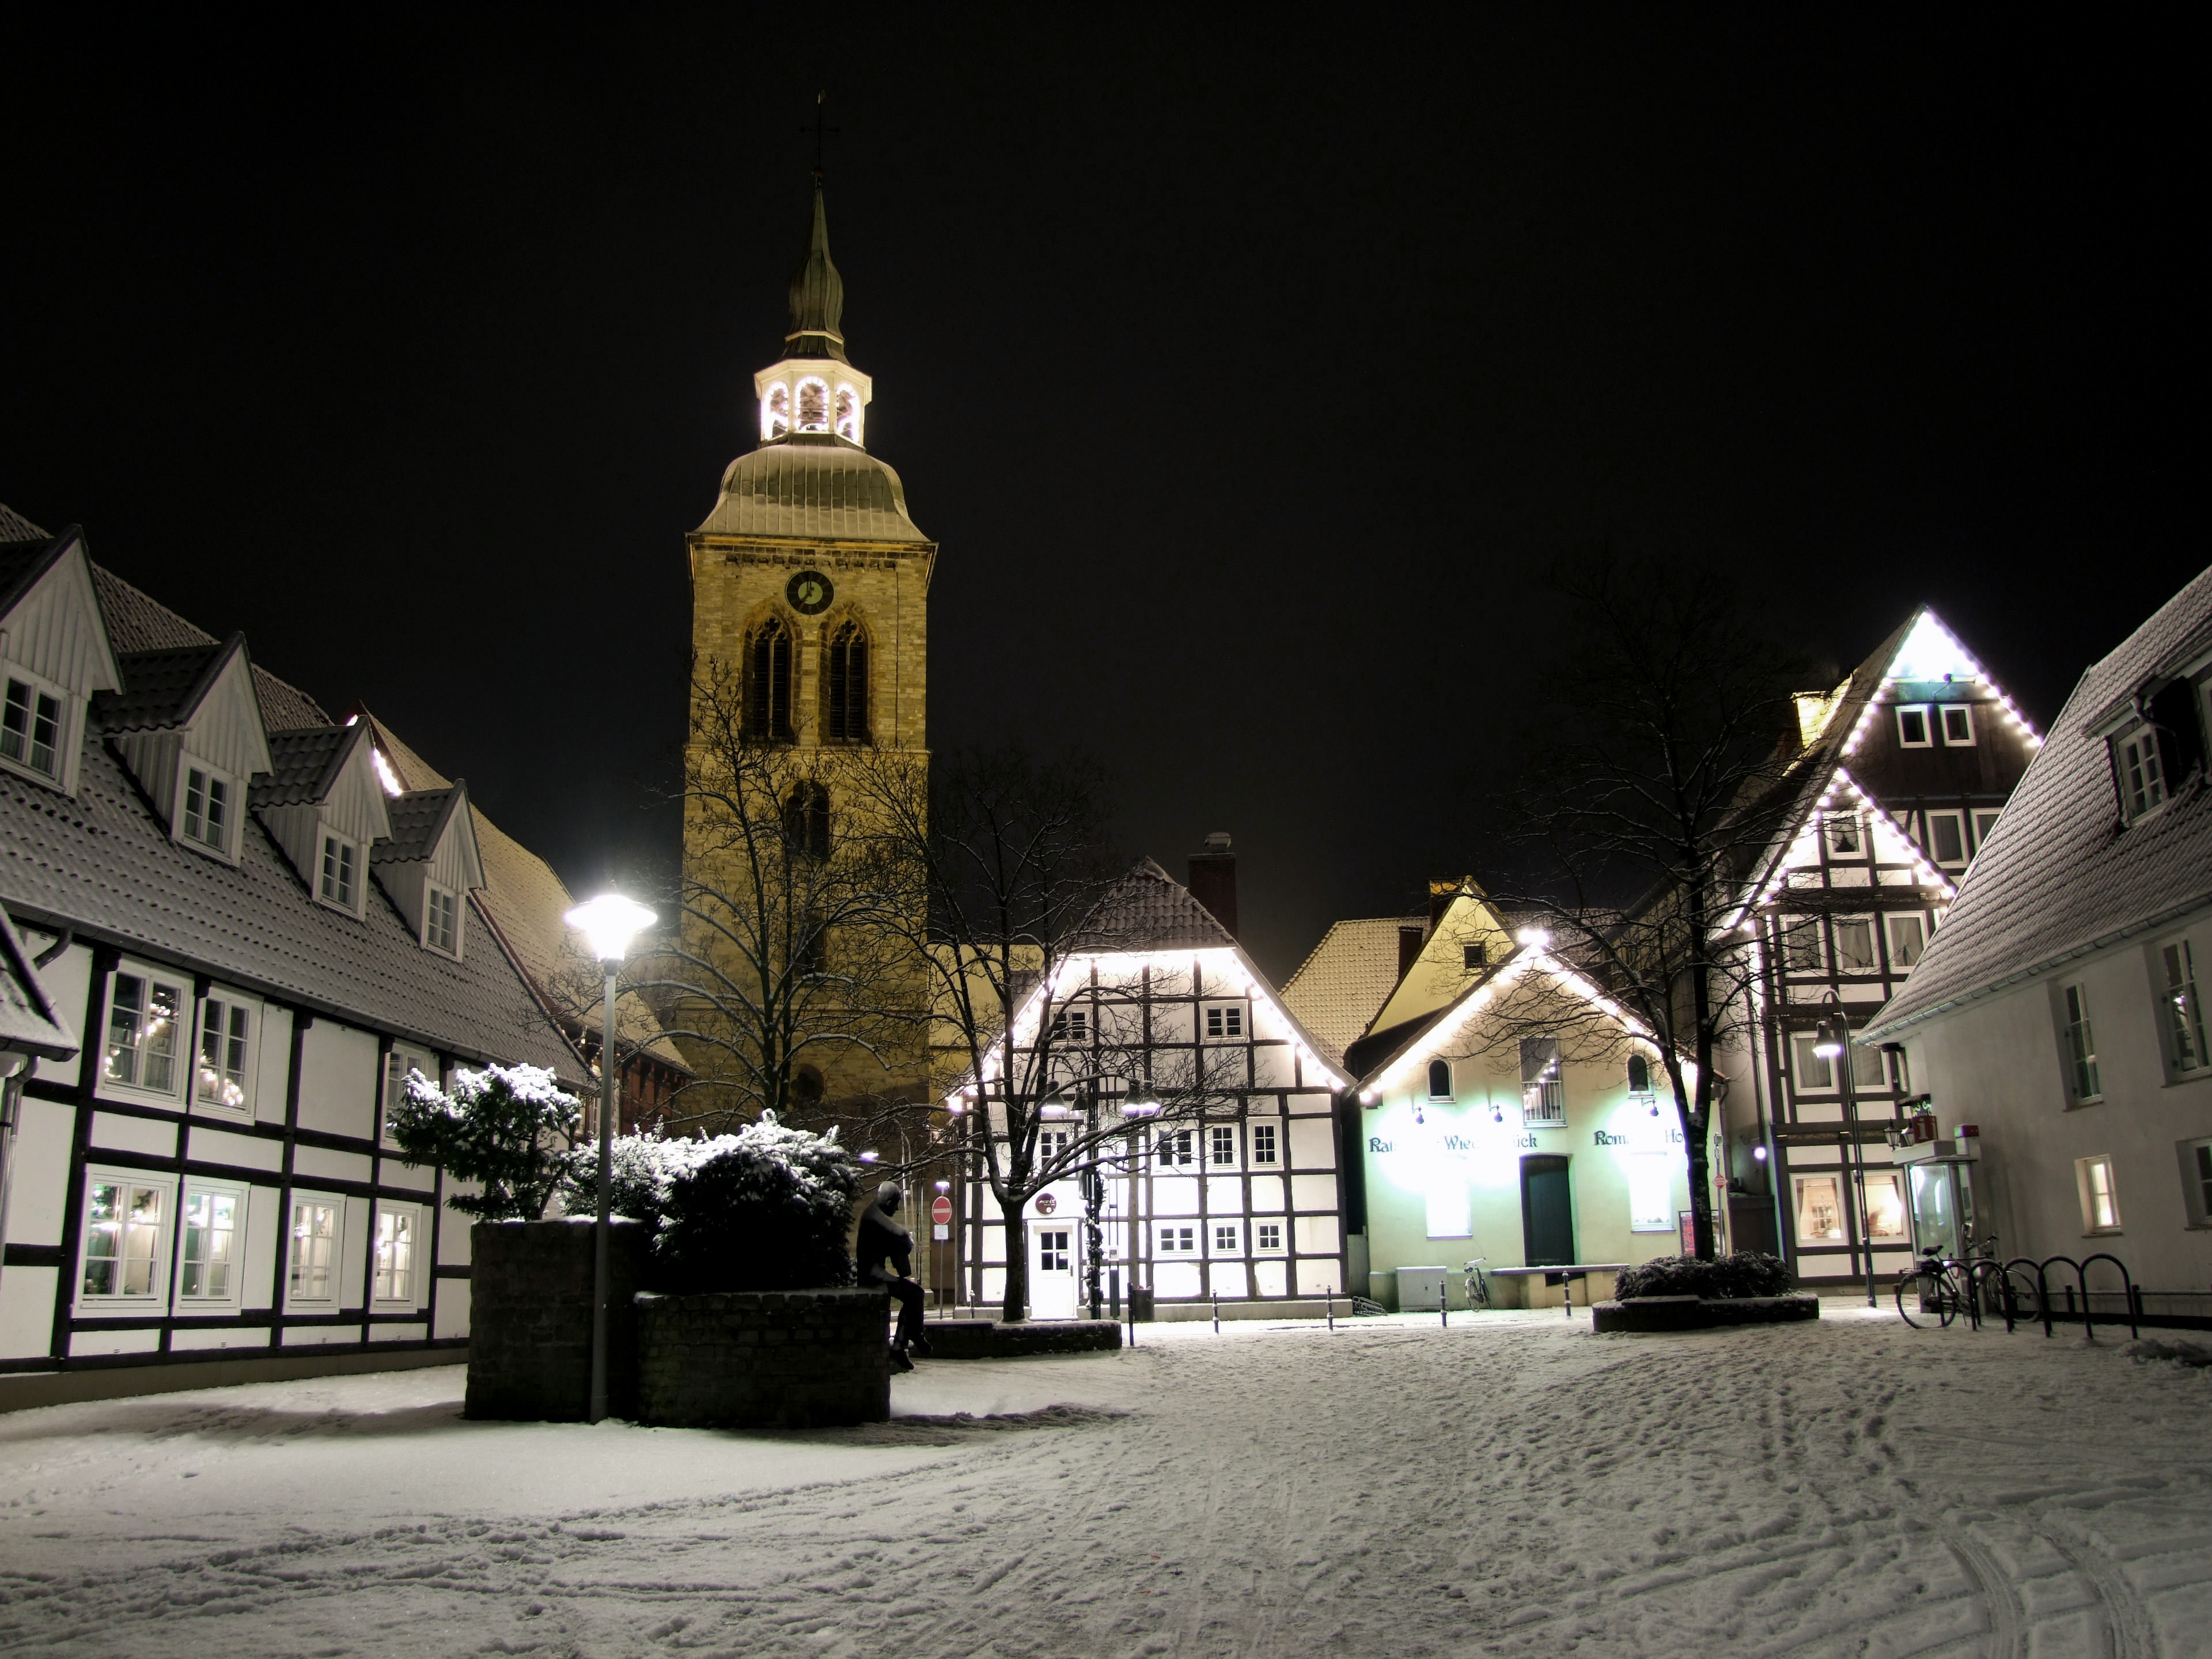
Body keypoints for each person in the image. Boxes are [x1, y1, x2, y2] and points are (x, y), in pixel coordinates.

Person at [857, 1181, 930, 1370]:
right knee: (915, 1294)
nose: (897, 1208)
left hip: (876, 1274)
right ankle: (908, 1340)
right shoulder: (873, 1216)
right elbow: (898, 1234)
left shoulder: (874, 1215)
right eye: (896, 1204)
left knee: (915, 1294)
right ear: (889, 1201)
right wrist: (906, 1240)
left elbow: (893, 1240)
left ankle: (908, 1339)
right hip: (872, 1278)